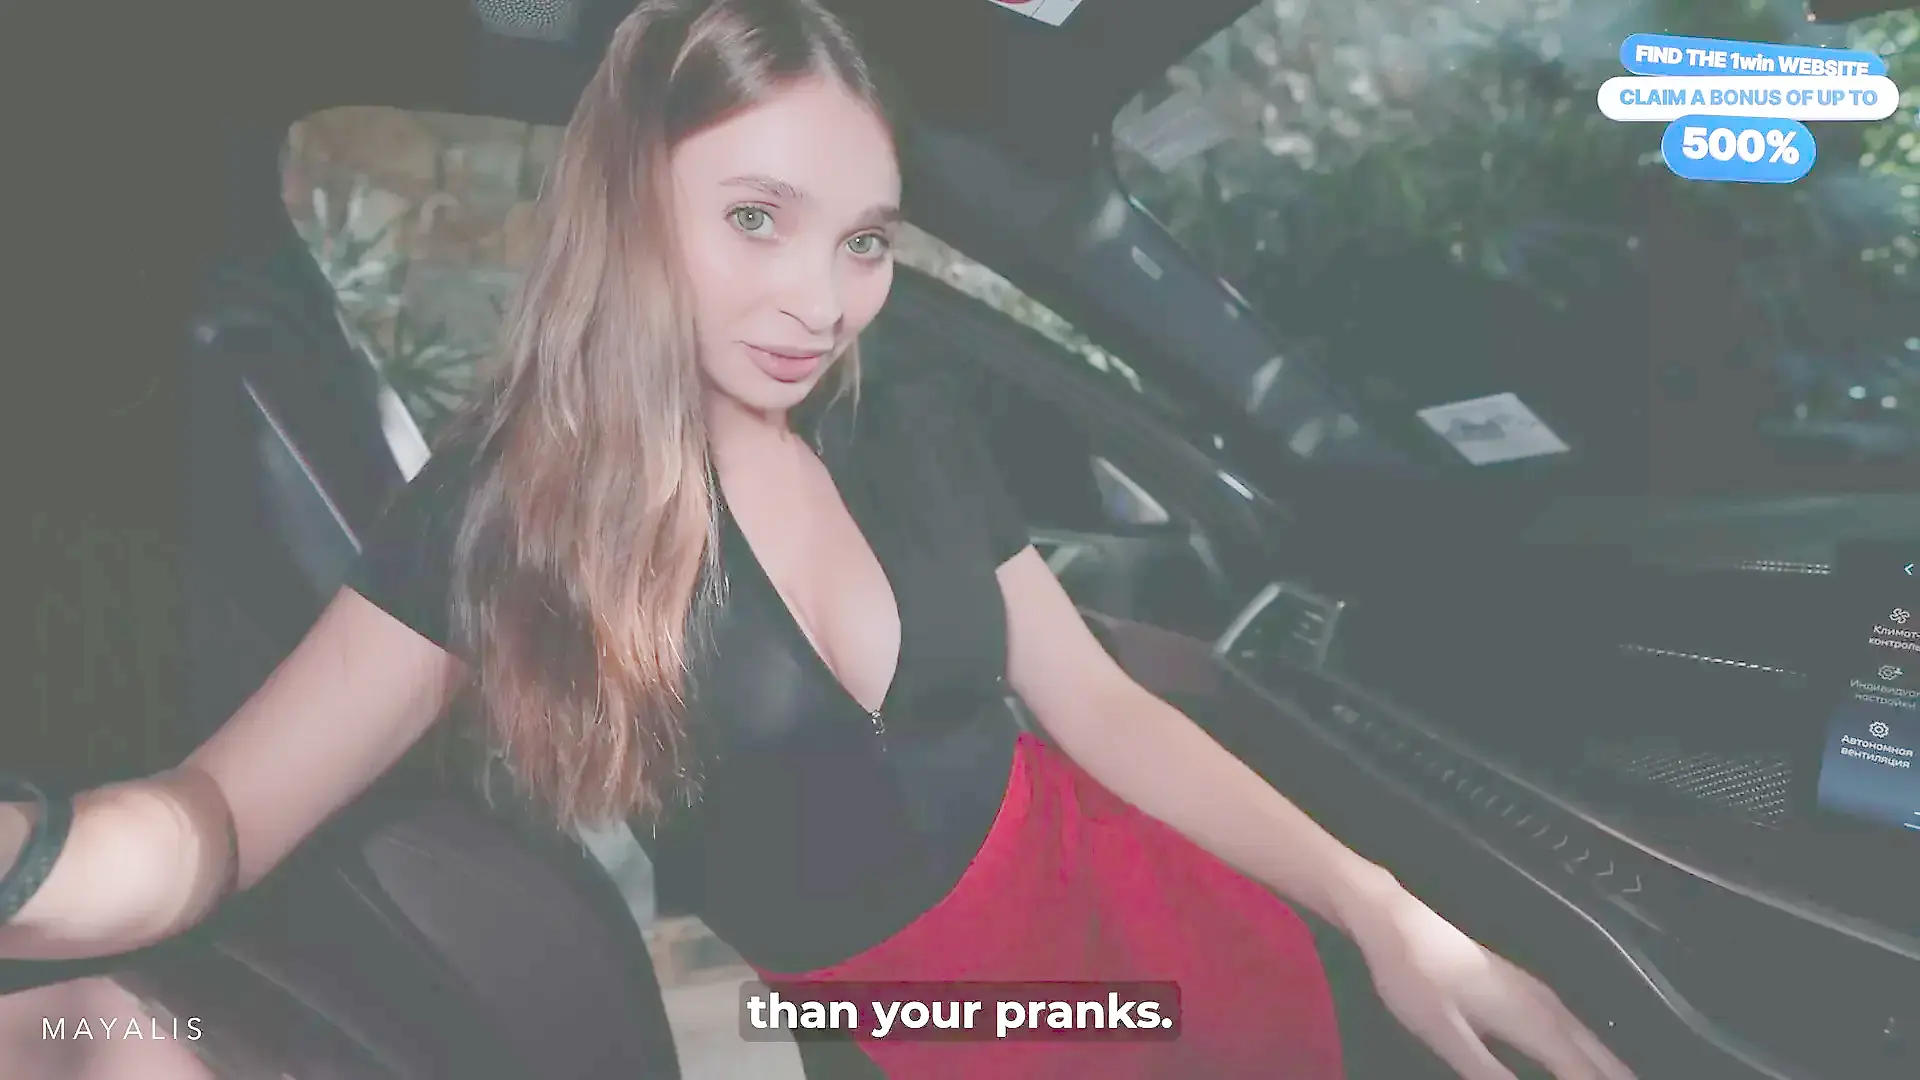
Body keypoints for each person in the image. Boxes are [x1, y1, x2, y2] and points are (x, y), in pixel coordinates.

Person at [0, 1, 1637, 1077]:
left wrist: (1386, 913)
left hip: (1173, 934)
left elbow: (1092, 703)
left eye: (863, 239)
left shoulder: (892, 393)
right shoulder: (505, 507)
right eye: (756, 220)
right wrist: (29, 861)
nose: (823, 300)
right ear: (632, 209)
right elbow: (216, 817)